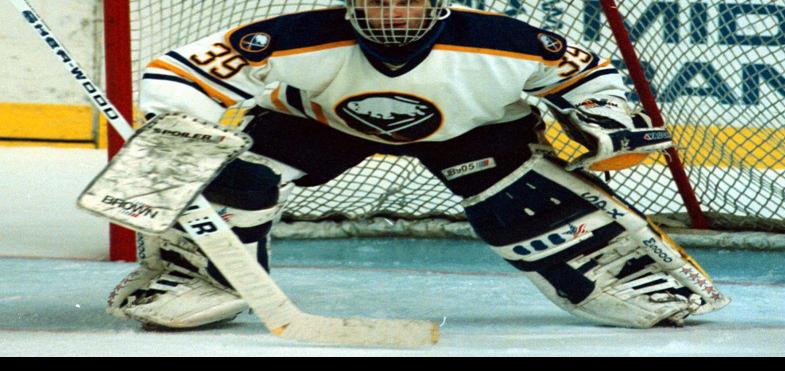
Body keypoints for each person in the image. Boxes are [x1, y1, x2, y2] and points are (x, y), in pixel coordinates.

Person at [107, 0, 729, 331]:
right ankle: (198, 276)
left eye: (405, 3)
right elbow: (182, 68)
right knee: (223, 171)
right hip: (317, 125)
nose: (391, 16)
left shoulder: (505, 41)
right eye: (377, 2)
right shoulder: (295, 36)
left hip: (474, 131)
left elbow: (587, 74)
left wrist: (603, 116)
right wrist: (176, 122)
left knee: (520, 203)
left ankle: (626, 274)